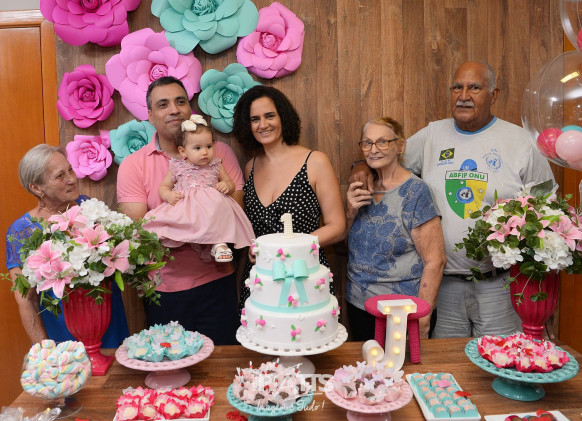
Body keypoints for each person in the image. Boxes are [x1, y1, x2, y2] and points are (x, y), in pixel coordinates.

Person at [351, 62, 555, 338]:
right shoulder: (432, 135)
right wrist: (360, 167)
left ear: (494, 95)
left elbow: (547, 210)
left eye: (474, 87)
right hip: (443, 287)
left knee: (498, 355)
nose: (463, 95)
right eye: (457, 87)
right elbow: (384, 154)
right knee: (446, 361)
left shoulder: (521, 142)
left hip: (499, 285)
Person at [117, 76, 244, 345]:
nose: (174, 109)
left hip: (217, 282)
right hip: (164, 290)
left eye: (180, 101)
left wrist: (192, 226)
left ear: (190, 108)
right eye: (163, 104)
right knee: (170, 361)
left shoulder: (219, 153)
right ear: (150, 115)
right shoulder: (133, 165)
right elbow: (139, 230)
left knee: (222, 360)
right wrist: (192, 225)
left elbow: (233, 212)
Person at [232, 85, 345, 309]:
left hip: (304, 275)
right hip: (262, 279)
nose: (263, 124)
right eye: (255, 119)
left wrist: (286, 249)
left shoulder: (315, 161)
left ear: (283, 117)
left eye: (269, 116)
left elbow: (337, 227)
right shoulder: (250, 167)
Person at [6, 144, 128, 345]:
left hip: (107, 321)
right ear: (36, 188)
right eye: (60, 176)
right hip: (63, 335)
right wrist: (46, 350)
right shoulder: (22, 231)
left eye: (70, 170)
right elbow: (26, 299)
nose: (72, 179)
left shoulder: (89, 208)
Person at [346, 117, 446, 341]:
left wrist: (422, 321)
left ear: (400, 146)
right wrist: (350, 212)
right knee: (368, 363)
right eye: (367, 143)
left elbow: (435, 261)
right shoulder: (362, 188)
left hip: (402, 311)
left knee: (402, 364)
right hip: (359, 306)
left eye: (382, 142)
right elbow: (345, 247)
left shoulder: (416, 192)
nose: (374, 150)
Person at [143, 114, 255, 262]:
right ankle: (164, 242)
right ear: (183, 151)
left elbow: (230, 183)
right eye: (197, 148)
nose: (204, 152)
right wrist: (168, 195)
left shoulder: (216, 164)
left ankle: (219, 244)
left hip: (212, 206)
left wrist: (227, 186)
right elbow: (163, 186)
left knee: (221, 212)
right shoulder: (177, 166)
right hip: (187, 207)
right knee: (167, 219)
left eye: (208, 146)